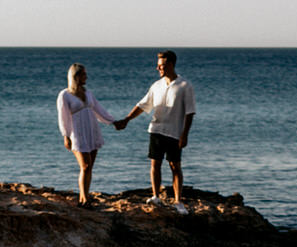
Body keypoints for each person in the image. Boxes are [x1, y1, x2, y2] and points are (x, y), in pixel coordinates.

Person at [115, 50, 196, 207]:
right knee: (155, 164)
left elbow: (190, 112)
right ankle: (156, 196)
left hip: (174, 132)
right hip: (156, 130)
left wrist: (184, 135)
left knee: (175, 165)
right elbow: (143, 105)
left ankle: (178, 201)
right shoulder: (156, 86)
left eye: (161, 66)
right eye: (158, 66)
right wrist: (127, 119)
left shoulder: (185, 85)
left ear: (171, 65)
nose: (158, 68)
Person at [57, 63, 120, 206]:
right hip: (77, 133)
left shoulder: (88, 93)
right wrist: (65, 135)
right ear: (76, 76)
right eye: (84, 74)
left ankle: (83, 197)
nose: (87, 77)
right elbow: (63, 117)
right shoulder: (64, 95)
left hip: (92, 130)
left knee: (89, 167)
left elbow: (99, 110)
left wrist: (113, 122)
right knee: (85, 165)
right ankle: (85, 199)